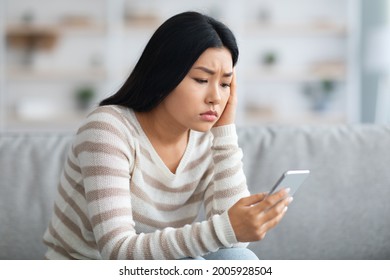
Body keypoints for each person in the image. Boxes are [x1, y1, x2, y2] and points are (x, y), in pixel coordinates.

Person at [43, 11, 292, 260]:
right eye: (202, 79)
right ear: (165, 75)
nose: (216, 97)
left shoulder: (205, 139)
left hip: (156, 264)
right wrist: (225, 229)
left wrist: (224, 133)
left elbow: (237, 244)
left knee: (239, 259)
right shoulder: (108, 129)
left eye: (225, 84)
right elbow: (117, 251)